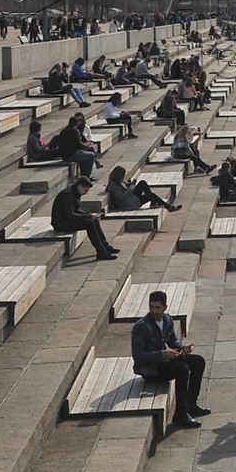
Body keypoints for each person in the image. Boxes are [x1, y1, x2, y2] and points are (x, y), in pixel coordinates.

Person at [130, 290, 206, 431]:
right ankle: (180, 414)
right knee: (182, 369)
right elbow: (138, 356)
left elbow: (172, 340)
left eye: (157, 307)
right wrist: (163, 354)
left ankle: (191, 404)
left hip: (165, 361)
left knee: (198, 361)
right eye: (151, 307)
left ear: (165, 307)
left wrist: (182, 348)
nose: (154, 311)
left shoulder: (167, 319)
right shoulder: (141, 327)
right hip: (151, 369)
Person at [51, 173, 118, 261]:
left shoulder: (75, 192)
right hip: (60, 224)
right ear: (80, 186)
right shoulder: (69, 196)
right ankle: (101, 251)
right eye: (86, 190)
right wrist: (89, 216)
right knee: (89, 223)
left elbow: (76, 210)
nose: (86, 193)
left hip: (66, 219)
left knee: (93, 220)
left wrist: (90, 215)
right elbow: (71, 215)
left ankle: (105, 246)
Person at [48, 114, 100, 181]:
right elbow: (78, 145)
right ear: (76, 123)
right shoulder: (75, 131)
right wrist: (87, 146)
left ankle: (83, 176)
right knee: (91, 155)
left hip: (63, 155)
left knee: (83, 154)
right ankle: (87, 176)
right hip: (71, 155)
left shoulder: (63, 131)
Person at [106, 165, 178, 213]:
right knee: (151, 195)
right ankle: (169, 207)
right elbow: (122, 197)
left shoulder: (119, 181)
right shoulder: (113, 186)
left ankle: (153, 202)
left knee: (142, 183)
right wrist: (130, 190)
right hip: (129, 204)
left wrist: (131, 184)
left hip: (132, 198)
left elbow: (125, 186)